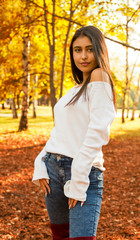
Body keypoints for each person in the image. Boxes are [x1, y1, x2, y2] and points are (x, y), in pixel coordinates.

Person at [32, 25, 116, 240]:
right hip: (53, 170)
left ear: (100, 51)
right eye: (77, 50)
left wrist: (78, 180)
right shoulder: (76, 89)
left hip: (83, 172)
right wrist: (40, 162)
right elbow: (59, 132)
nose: (84, 56)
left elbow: (98, 131)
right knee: (60, 236)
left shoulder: (99, 76)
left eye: (90, 49)